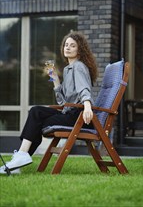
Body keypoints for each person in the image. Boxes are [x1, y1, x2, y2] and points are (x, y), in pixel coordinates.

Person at [0, 31, 98, 174]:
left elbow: (84, 89)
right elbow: (63, 101)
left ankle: (19, 159)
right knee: (36, 112)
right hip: (69, 112)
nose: (68, 47)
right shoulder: (67, 70)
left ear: (79, 50)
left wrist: (88, 106)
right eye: (66, 45)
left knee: (37, 118)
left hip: (78, 116)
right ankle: (19, 159)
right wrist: (55, 79)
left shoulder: (78, 66)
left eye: (72, 46)